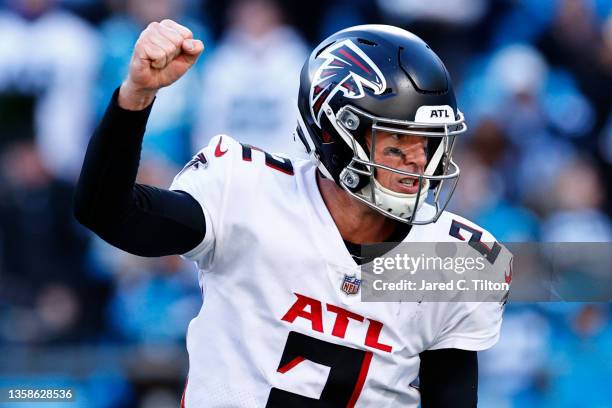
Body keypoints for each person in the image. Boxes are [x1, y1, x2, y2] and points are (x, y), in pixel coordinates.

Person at [74, 20, 511, 407]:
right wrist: (136, 95)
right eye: (397, 142)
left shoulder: (451, 260)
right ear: (333, 134)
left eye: (429, 143)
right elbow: (109, 213)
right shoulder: (248, 193)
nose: (419, 164)